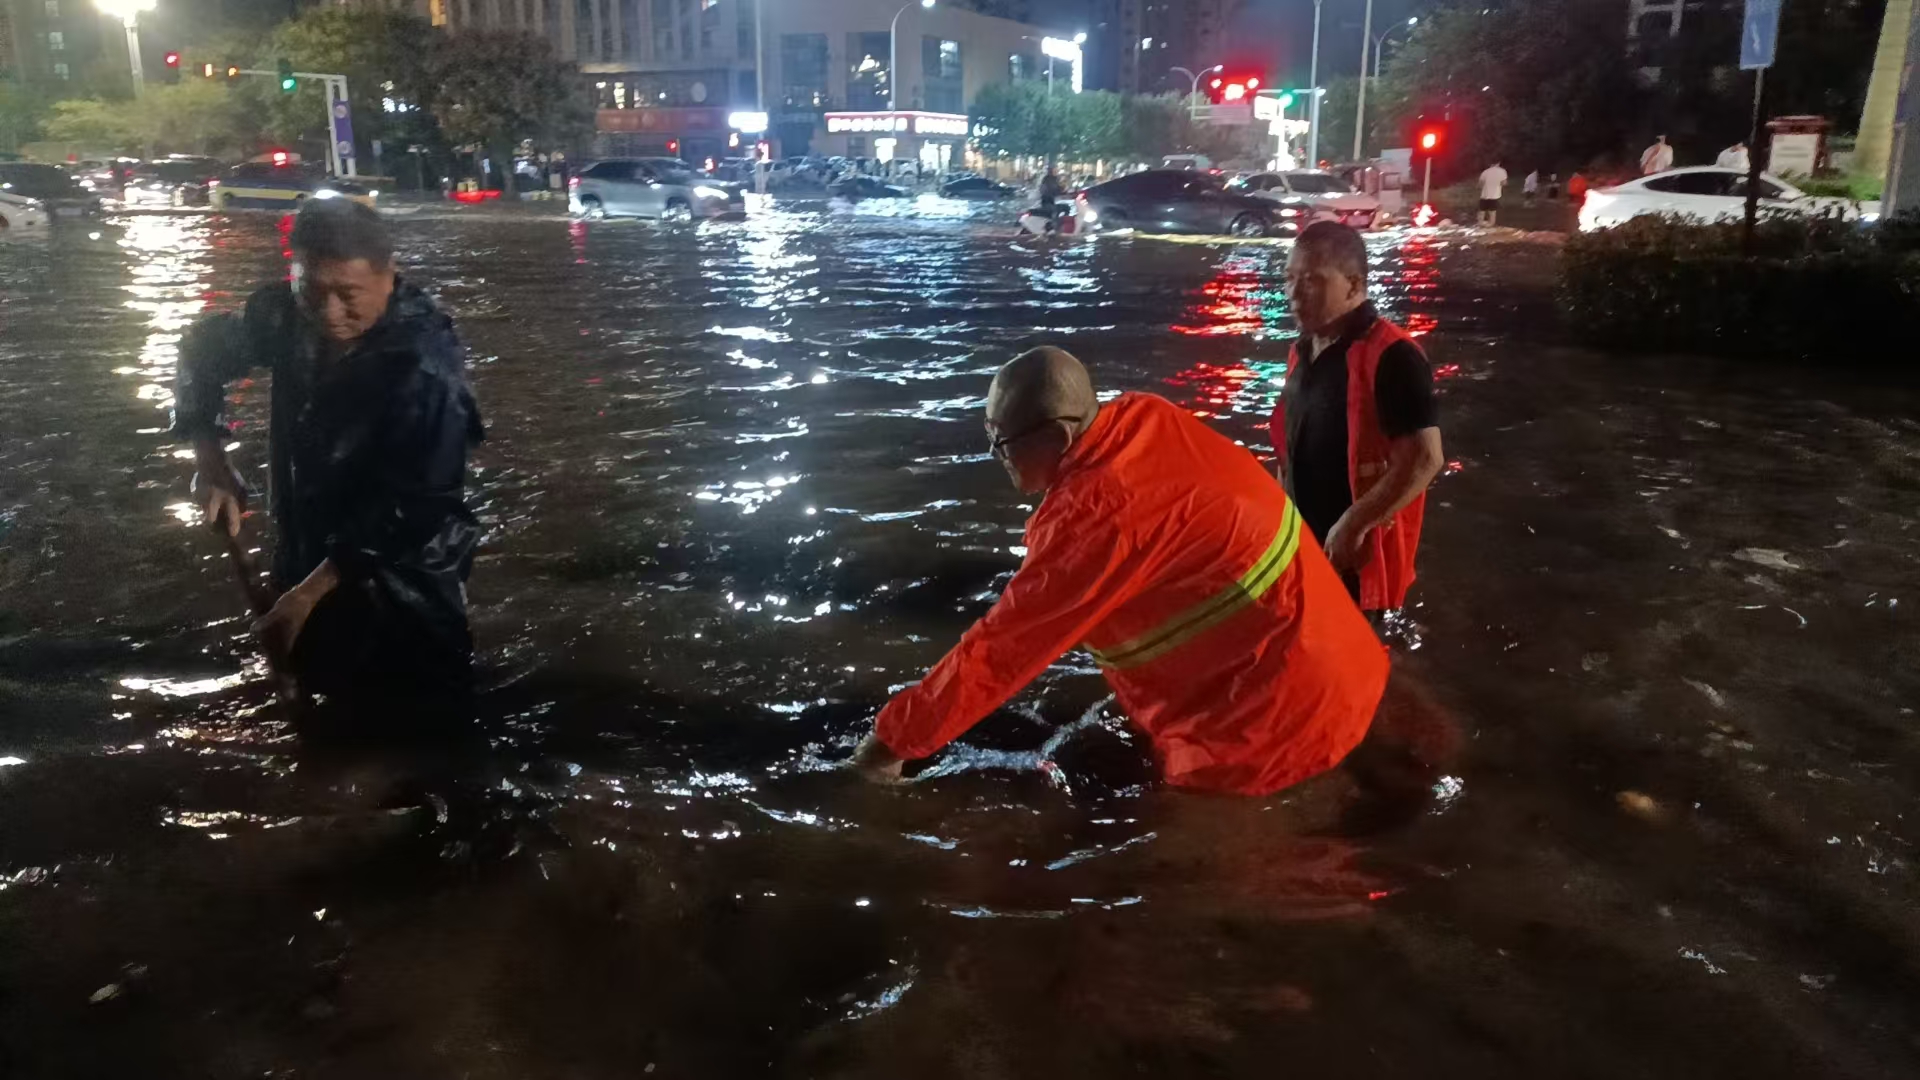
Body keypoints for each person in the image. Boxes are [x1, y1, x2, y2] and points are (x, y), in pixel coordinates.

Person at [849, 347, 1389, 796]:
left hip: (1280, 720)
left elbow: (997, 653)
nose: (996, 453)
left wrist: (885, 748)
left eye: (1003, 441)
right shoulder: (1146, 418)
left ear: (1059, 438)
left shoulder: (1100, 516)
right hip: (1340, 654)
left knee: (1189, 871)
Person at [172, 198, 485, 718]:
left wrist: (304, 596)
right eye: (312, 292)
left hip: (404, 579)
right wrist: (211, 459)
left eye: (349, 294)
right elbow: (200, 353)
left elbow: (419, 505)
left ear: (390, 277)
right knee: (316, 695)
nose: (329, 312)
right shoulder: (282, 316)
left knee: (426, 720)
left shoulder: (426, 366)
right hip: (305, 538)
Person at [1273, 222, 1444, 619]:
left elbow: (1424, 458)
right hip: (1306, 545)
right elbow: (1292, 445)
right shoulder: (1303, 350)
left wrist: (1354, 524)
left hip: (1357, 559)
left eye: (1312, 280)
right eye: (1290, 278)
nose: (1294, 294)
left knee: (1358, 663)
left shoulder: (1392, 355)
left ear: (1353, 285)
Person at [1477, 160, 1508, 226]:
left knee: (1482, 211)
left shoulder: (1485, 171)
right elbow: (1504, 183)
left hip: (1484, 194)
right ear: (1498, 163)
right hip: (1495, 195)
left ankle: (1480, 224)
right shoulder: (1502, 171)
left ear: (1490, 164)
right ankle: (1491, 225)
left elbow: (1480, 184)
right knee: (1492, 211)